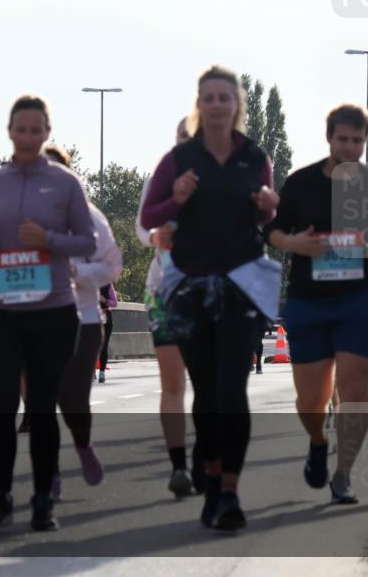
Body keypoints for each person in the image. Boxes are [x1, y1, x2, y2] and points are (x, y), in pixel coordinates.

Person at [141, 65, 280, 531]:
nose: (217, 105)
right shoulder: (179, 159)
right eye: (209, 98)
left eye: (225, 97)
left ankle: (231, 492)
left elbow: (265, 220)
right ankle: (214, 479)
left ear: (236, 104)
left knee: (232, 389)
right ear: (198, 105)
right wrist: (176, 198)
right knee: (206, 392)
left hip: (240, 285)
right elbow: (150, 216)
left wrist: (268, 209)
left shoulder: (255, 157)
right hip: (192, 288)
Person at [0, 95, 96, 532]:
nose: (28, 137)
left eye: (36, 130)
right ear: (9, 131)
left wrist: (49, 240)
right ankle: (1, 496)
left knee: (40, 407)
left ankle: (42, 501)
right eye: (21, 129)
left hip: (52, 311)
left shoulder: (65, 183)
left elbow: (87, 242)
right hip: (1, 311)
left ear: (47, 133)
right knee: (1, 406)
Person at [265, 104, 368, 505]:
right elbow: (273, 230)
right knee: (310, 401)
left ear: (365, 141)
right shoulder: (301, 182)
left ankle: (344, 475)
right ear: (329, 138)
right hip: (310, 300)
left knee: (355, 393)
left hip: (360, 299)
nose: (350, 147)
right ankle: (318, 442)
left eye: (357, 140)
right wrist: (294, 243)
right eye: (343, 139)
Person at [44, 145, 122, 500]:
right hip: (36, 319)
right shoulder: (22, 218)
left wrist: (78, 273)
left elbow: (112, 266)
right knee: (43, 399)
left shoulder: (91, 217)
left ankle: (83, 444)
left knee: (73, 398)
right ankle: (49, 475)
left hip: (84, 319)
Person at [135, 117, 201, 496]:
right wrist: (155, 236)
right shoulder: (161, 177)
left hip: (210, 293)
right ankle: (178, 467)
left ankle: (205, 455)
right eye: (181, 138)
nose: (186, 144)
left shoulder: (223, 180)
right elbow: (142, 227)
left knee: (209, 384)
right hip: (164, 293)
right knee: (173, 382)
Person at [96, 284, 117, 383]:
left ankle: (102, 372)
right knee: (92, 346)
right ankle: (91, 371)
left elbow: (115, 303)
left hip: (105, 317)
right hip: (92, 317)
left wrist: (104, 300)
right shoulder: (89, 283)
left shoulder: (108, 286)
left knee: (103, 346)